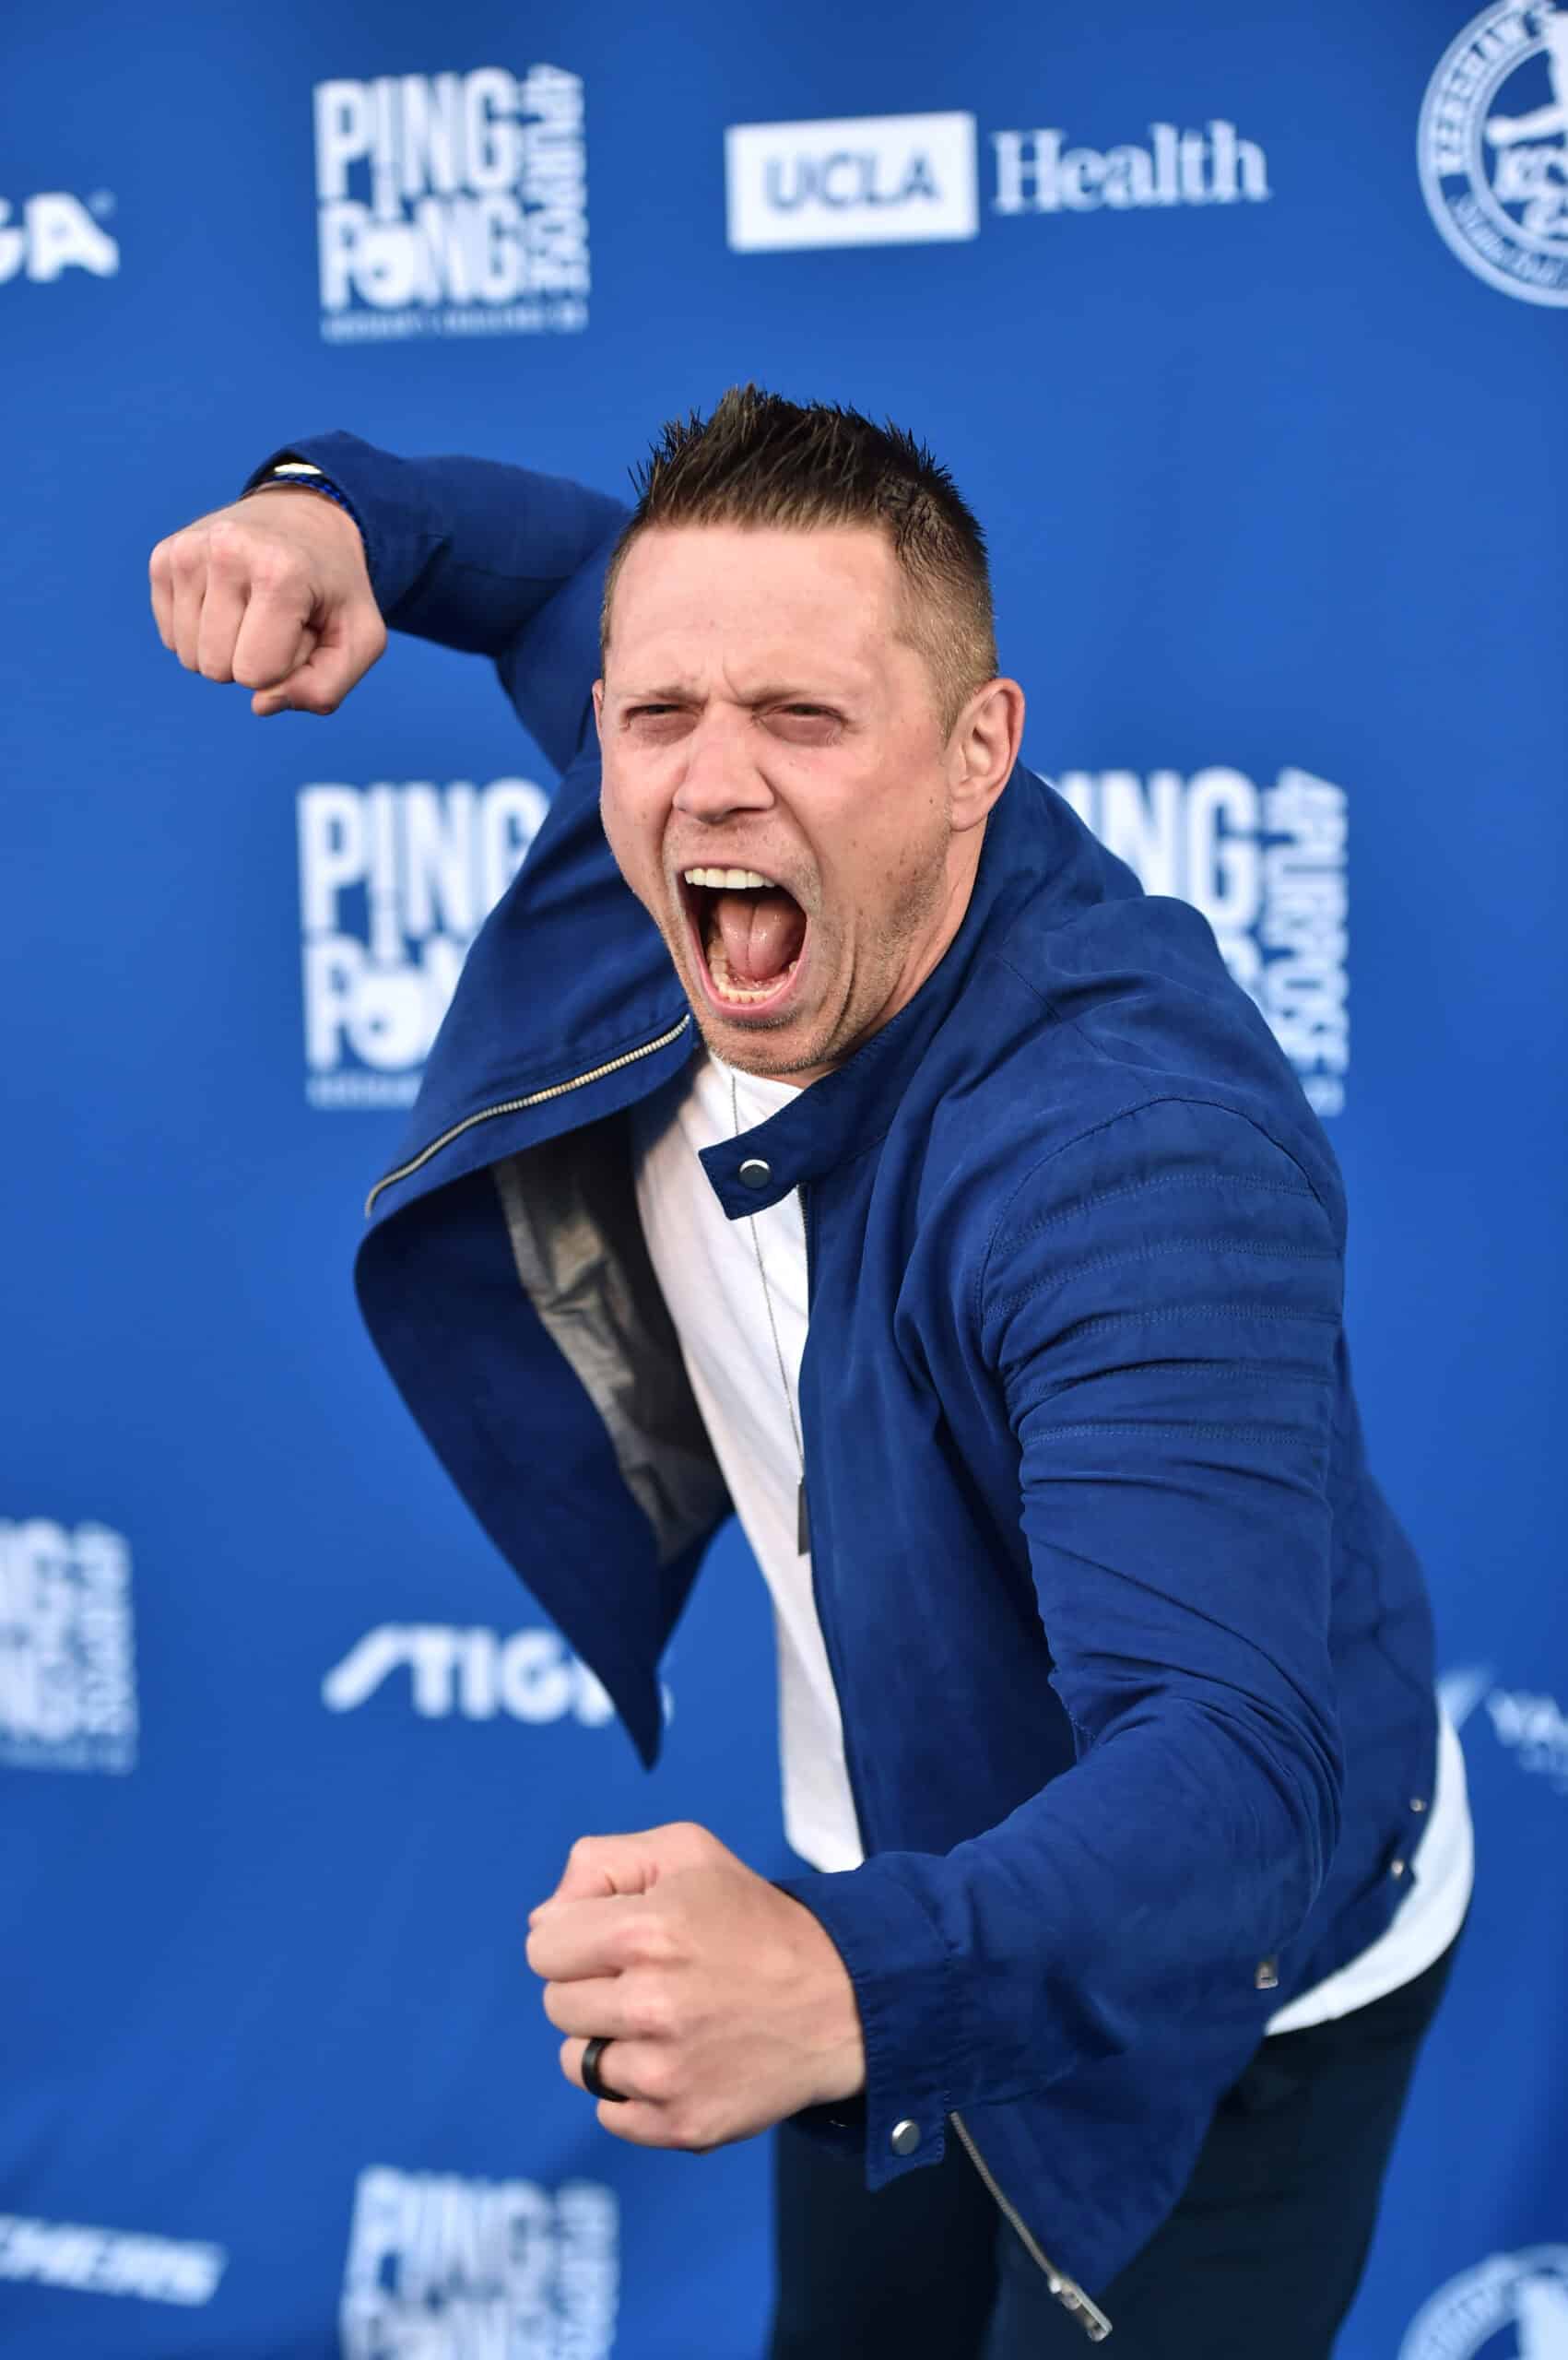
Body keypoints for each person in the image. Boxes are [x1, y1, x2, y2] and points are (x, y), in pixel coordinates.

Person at [148, 389, 1473, 2358]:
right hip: (893, 1869)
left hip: (1217, 1981)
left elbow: (1226, 1774)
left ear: (974, 753)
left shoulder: (1129, 1156)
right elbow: (537, 567)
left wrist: (846, 1985)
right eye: (655, 711)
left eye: (801, 717)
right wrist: (332, 508)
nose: (710, 780)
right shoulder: (689, 808)